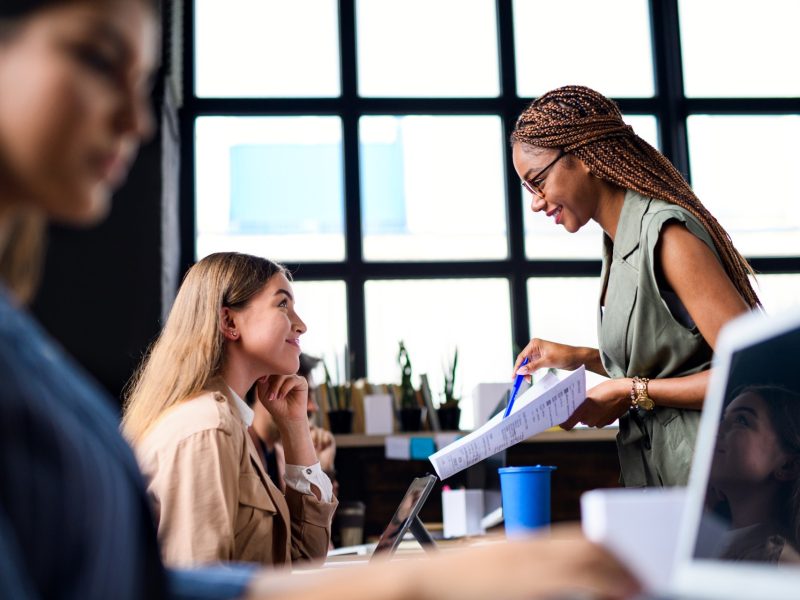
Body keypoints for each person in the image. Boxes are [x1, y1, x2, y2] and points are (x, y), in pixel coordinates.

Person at [0, 3, 641, 597]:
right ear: (228, 321)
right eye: (95, 57)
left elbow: (286, 565)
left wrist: (298, 442)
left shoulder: (219, 419)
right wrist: (417, 584)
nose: (137, 122)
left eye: (141, 84)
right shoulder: (203, 428)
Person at [510, 85, 759, 487]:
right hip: (666, 480)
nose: (536, 202)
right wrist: (580, 357)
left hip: (715, 484)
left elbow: (751, 374)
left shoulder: (668, 236)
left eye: (538, 181)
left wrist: (630, 391)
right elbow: (670, 359)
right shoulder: (618, 240)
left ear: (582, 156)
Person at [122, 252, 338, 568]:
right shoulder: (208, 426)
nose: (301, 325)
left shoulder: (226, 422)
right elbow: (202, 582)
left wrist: (294, 426)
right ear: (229, 322)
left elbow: (303, 559)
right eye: (282, 304)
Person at [704, 385, 800, 562]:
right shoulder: (713, 537)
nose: (714, 428)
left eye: (741, 420)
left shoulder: (781, 560)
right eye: (723, 418)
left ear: (787, 466)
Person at [249, 353, 337, 495]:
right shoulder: (238, 449)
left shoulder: (284, 457)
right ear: (263, 387)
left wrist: (320, 467)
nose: (313, 407)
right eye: (296, 395)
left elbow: (307, 509)